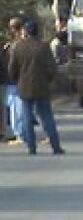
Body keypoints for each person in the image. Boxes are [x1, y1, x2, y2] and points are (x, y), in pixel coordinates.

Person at [7, 20, 64, 155]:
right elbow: (52, 69)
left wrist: (18, 79)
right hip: (42, 86)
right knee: (47, 117)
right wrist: (47, 80)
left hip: (24, 86)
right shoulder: (43, 47)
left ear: (25, 31)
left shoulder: (17, 47)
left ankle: (31, 147)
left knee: (26, 117)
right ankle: (55, 146)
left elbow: (12, 69)